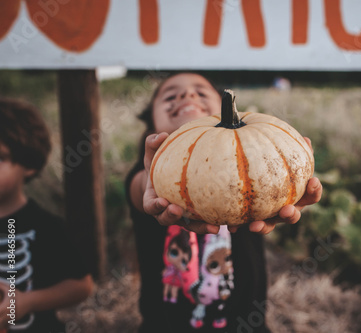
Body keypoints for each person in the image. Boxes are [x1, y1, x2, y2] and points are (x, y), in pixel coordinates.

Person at [126, 72, 322, 332]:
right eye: (171, 96)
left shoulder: (249, 163)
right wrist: (152, 181)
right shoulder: (149, 174)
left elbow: (274, 179)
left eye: (201, 92)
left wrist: (285, 188)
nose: (187, 95)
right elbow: (142, 190)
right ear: (151, 122)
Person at [0, 98, 93, 332]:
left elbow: (82, 286)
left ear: (28, 164)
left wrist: (26, 302)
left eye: (0, 158)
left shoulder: (45, 226)